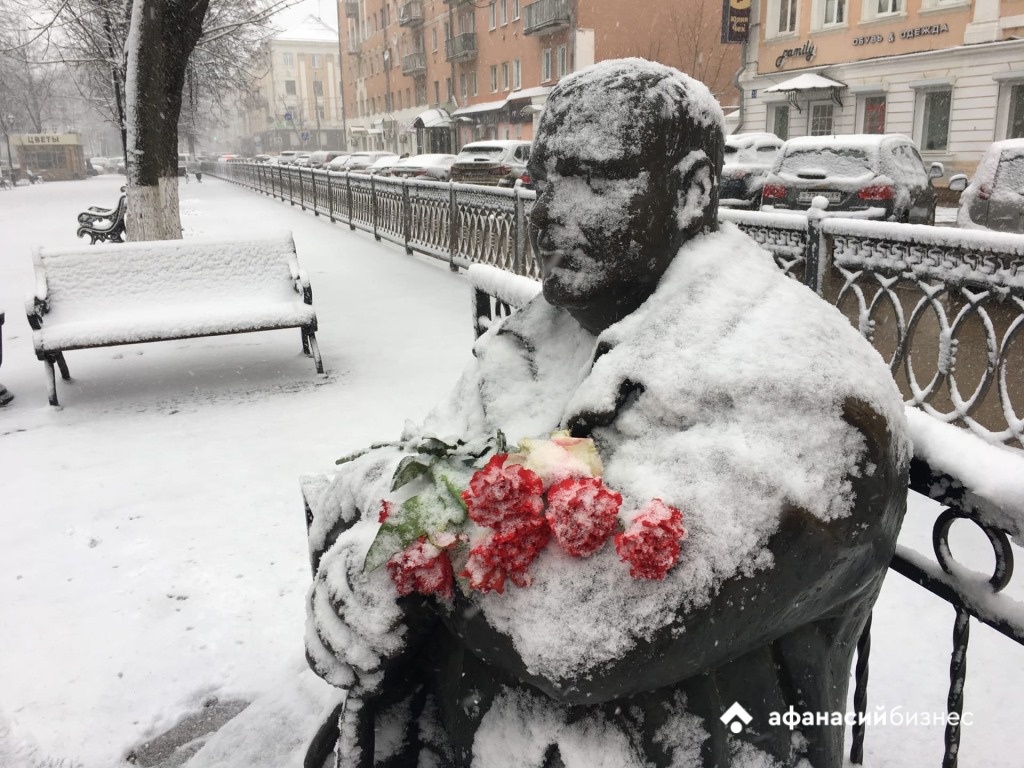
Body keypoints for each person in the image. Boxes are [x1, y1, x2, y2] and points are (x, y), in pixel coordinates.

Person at [303, 59, 909, 768]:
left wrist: (400, 552)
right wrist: (376, 537)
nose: (551, 210)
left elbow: (577, 632)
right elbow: (427, 463)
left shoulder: (808, 389)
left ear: (691, 191)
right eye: (543, 178)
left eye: (595, 178)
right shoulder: (546, 328)